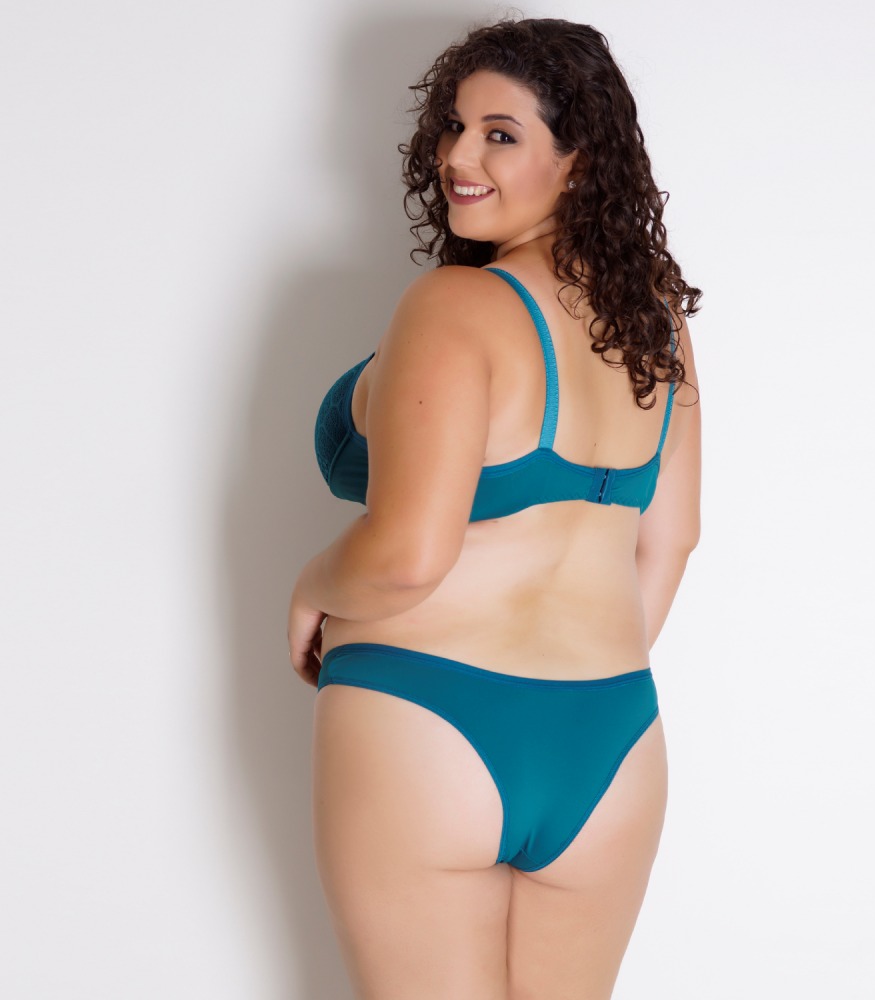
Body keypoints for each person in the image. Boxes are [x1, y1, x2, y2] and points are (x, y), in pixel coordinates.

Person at [287, 15, 702, 1000]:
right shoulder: (653, 321)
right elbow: (673, 539)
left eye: (500, 134)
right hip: (610, 739)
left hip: (428, 720)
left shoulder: (453, 306)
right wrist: (567, 679)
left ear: (579, 158)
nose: (458, 156)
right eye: (454, 126)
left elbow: (407, 555)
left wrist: (312, 584)